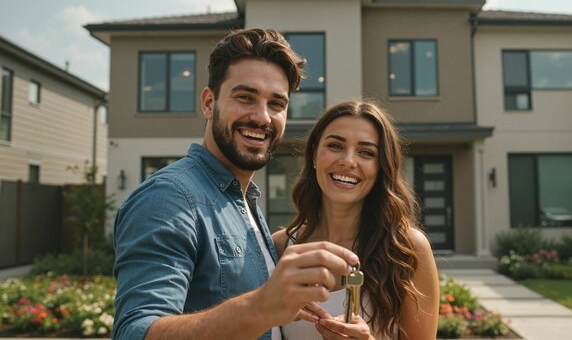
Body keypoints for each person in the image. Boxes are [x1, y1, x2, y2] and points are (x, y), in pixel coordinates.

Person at [112, 28, 360, 340]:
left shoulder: (244, 200)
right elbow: (135, 333)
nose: (263, 117)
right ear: (208, 103)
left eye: (276, 104)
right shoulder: (169, 198)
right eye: (245, 97)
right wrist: (260, 306)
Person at [273, 100, 440, 340]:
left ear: (381, 167)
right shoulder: (281, 247)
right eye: (335, 145)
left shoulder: (408, 248)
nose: (348, 161)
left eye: (366, 152)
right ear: (314, 155)